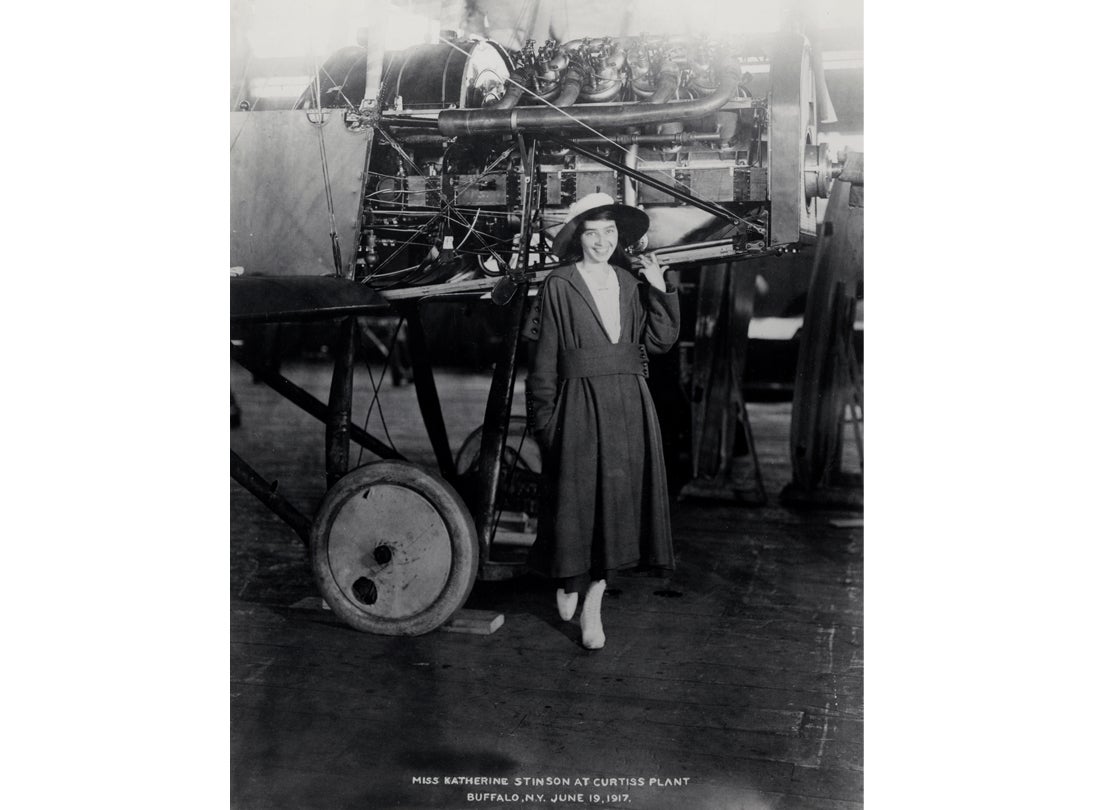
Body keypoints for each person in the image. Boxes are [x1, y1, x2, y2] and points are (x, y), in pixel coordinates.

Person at [521, 192, 680, 650]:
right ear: (578, 237)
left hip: (629, 402)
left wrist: (658, 288)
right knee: (575, 507)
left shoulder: (631, 283)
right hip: (577, 406)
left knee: (617, 511)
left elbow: (661, 340)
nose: (602, 241)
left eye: (610, 233)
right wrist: (546, 421)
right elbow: (544, 359)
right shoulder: (559, 284)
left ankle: (593, 605)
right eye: (592, 233)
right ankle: (569, 580)